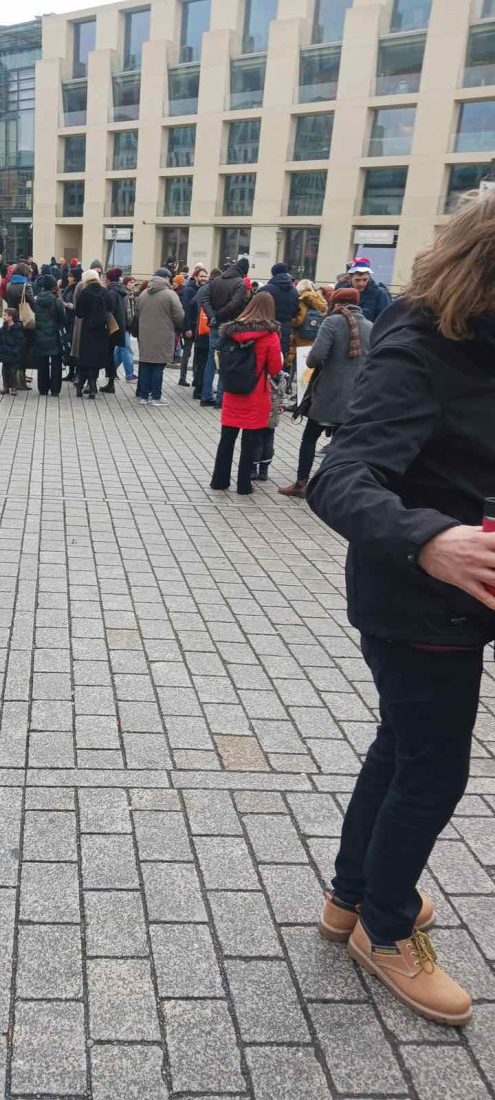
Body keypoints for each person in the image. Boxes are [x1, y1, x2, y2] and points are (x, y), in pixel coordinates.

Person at [306, 192, 495, 1027]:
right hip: (416, 598)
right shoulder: (418, 344)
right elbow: (338, 478)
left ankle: (352, 897)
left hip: (457, 595)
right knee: (433, 767)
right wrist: (429, 540)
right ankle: (384, 931)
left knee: (401, 747)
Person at [279, 287, 372, 499]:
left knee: (310, 437)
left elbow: (315, 358)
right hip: (356, 397)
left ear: (335, 304)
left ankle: (302, 483)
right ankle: (335, 487)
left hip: (328, 393)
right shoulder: (370, 326)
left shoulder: (332, 322)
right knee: (342, 443)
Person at [209, 292, 283, 495]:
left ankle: (219, 481)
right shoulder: (270, 335)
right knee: (250, 442)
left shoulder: (231, 330)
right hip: (256, 393)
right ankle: (244, 485)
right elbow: (275, 368)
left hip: (233, 390)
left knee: (227, 438)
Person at [196, 257, 250, 406]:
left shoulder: (216, 280)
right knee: (225, 360)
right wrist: (218, 316)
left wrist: (213, 316)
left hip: (214, 325)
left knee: (211, 360)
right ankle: (221, 398)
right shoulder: (240, 283)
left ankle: (205, 396)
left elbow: (204, 300)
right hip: (229, 326)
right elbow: (235, 304)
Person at [134, 268, 184, 407]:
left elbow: (137, 313)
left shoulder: (143, 293)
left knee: (145, 364)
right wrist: (177, 327)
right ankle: (156, 397)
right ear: (166, 278)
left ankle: (143, 397)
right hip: (164, 335)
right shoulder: (170, 294)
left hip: (145, 335)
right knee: (158, 366)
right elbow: (179, 315)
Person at [74, 268, 111, 400]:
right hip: (101, 330)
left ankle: (80, 386)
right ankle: (93, 387)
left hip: (87, 330)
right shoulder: (104, 292)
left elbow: (79, 313)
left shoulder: (84, 293)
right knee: (95, 360)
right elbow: (110, 308)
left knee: (85, 358)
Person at [5, 263, 37, 390]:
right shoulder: (26, 286)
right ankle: (20, 381)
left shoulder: (9, 285)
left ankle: (11, 380)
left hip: (12, 321)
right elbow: (33, 304)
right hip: (25, 322)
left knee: (14, 351)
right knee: (24, 352)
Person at [288, 277, 328, 376]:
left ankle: (291, 385)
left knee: (296, 362)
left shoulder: (303, 300)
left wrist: (292, 323)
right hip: (314, 336)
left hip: (301, 336)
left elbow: (299, 320)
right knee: (308, 364)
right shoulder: (319, 300)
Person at [258, 262, 299, 358]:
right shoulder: (294, 291)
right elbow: (295, 311)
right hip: (285, 328)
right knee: (280, 357)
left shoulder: (265, 290)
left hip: (266, 328)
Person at [33, 274, 66, 396]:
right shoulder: (57, 301)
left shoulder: (36, 300)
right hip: (54, 335)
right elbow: (63, 319)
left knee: (42, 363)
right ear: (53, 287)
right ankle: (55, 389)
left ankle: (43, 389)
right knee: (56, 363)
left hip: (40, 334)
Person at [180, 268, 209, 386]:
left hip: (200, 327)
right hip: (190, 326)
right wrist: (187, 328)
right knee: (187, 353)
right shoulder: (189, 290)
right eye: (201, 276)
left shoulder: (206, 290)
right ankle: (182, 378)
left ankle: (196, 378)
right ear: (196, 277)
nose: (203, 279)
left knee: (198, 354)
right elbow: (185, 309)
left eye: (205, 276)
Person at [104, 266, 130, 391]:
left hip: (111, 328)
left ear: (109, 279)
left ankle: (110, 382)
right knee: (110, 355)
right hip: (120, 327)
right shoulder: (121, 291)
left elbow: (108, 311)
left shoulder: (111, 293)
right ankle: (111, 381)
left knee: (108, 356)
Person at [346, 257, 392, 322]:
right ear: (350, 278)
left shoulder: (380, 294)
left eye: (365, 280)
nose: (361, 283)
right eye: (357, 280)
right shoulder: (344, 292)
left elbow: (385, 320)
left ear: (369, 277)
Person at [0, 308, 22, 395]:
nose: (3, 317)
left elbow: (20, 341)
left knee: (12, 371)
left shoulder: (17, 328)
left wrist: (16, 351)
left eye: (5, 315)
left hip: (12, 353)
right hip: (4, 352)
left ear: (11, 317)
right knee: (4, 370)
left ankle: (13, 387)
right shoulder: (3, 328)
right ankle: (6, 387)